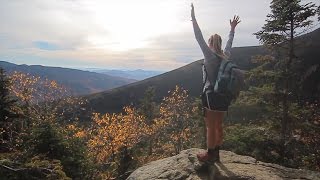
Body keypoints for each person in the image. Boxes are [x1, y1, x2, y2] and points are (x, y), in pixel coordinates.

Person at [191, 3, 240, 163]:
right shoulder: (226, 55)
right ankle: (217, 153)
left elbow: (198, 36)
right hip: (224, 96)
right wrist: (232, 29)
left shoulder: (209, 56)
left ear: (210, 43)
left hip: (211, 96)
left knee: (210, 127)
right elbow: (229, 42)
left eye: (208, 42)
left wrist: (193, 18)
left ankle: (210, 154)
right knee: (219, 125)